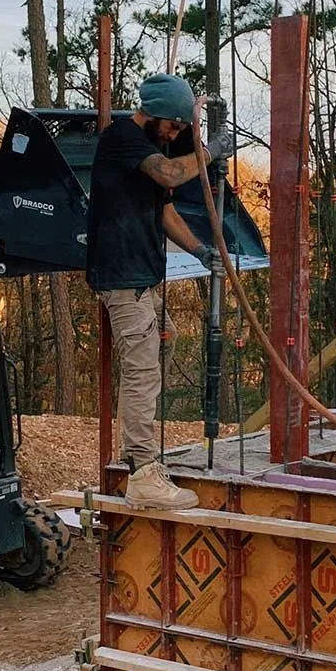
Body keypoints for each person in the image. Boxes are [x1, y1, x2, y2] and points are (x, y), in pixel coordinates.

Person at [86, 73, 233, 509]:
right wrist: (210, 152)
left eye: (179, 128)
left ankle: (135, 448)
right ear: (150, 114)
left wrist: (201, 249)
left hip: (144, 276)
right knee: (142, 370)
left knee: (159, 349)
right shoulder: (122, 138)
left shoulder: (155, 144)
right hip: (122, 276)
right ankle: (144, 473)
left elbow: (165, 208)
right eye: (171, 126)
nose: (173, 134)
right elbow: (172, 172)